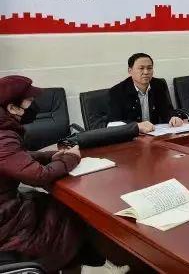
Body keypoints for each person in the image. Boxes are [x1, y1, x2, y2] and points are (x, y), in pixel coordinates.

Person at [0, 75, 128, 273]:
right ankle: (98, 259)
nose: (34, 105)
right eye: (29, 101)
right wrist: (71, 158)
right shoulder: (4, 137)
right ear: (12, 108)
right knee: (71, 217)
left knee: (57, 207)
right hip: (6, 222)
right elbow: (38, 176)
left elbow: (14, 158)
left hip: (7, 207)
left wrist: (50, 156)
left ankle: (92, 258)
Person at [109, 53, 183, 133]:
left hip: (155, 133)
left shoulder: (158, 85)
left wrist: (173, 117)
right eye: (141, 68)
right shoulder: (117, 91)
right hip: (132, 135)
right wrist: (136, 126)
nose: (146, 72)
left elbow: (166, 110)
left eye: (149, 68)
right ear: (130, 71)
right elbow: (114, 122)